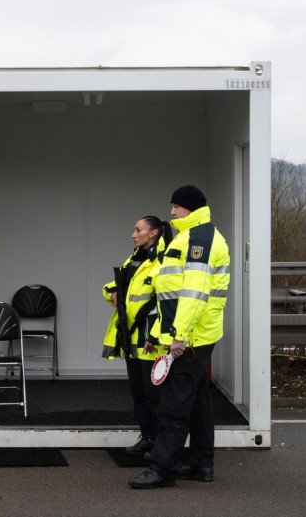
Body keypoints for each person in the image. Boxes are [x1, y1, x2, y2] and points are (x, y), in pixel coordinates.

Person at [130, 185, 230, 489]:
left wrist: (179, 336)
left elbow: (193, 294)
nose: (171, 212)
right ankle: (201, 463)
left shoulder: (199, 239)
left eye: (176, 207)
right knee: (198, 400)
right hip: (193, 335)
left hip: (190, 338)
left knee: (174, 404)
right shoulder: (193, 235)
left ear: (189, 208)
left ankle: (163, 469)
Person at [101, 215, 169, 456]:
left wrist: (154, 336)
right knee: (139, 394)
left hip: (151, 343)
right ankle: (148, 438)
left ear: (153, 233)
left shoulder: (162, 261)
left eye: (138, 229)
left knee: (156, 397)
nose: (133, 234)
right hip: (131, 339)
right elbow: (118, 286)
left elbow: (166, 304)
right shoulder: (135, 258)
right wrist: (111, 292)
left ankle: (163, 444)